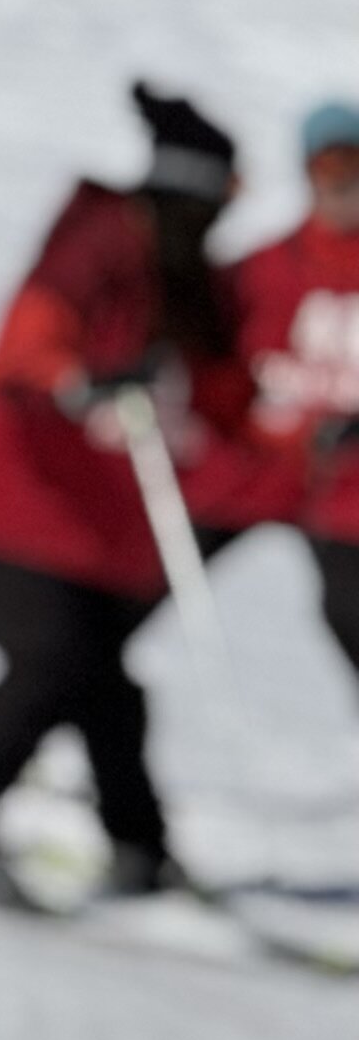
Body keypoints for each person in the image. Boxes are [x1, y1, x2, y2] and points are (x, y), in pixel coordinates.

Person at [0, 84, 253, 902]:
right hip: (18, 509)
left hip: (91, 526)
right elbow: (30, 343)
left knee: (102, 681)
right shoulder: (94, 245)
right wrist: (80, 379)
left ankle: (138, 848)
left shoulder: (173, 274)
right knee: (51, 663)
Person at [197, 98, 359, 684]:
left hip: (349, 491)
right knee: (132, 581)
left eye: (353, 167)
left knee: (350, 611)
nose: (341, 185)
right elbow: (210, 363)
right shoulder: (264, 269)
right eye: (327, 169)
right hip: (259, 464)